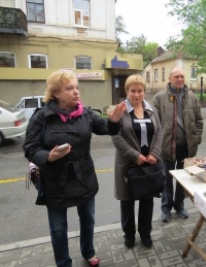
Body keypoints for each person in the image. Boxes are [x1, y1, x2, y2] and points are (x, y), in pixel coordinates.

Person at [23, 70, 126, 267]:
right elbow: (30, 148)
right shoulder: (42, 117)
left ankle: (88, 252)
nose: (76, 92)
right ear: (55, 93)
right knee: (59, 228)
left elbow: (104, 128)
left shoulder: (85, 113)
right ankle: (63, 263)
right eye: (69, 88)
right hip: (55, 180)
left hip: (83, 177)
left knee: (88, 220)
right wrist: (49, 156)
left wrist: (113, 120)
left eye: (77, 87)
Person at [111, 74, 162, 248]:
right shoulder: (120, 110)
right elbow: (116, 137)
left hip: (149, 164)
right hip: (128, 164)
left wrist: (155, 153)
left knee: (147, 200)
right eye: (133, 91)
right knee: (127, 202)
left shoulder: (151, 109)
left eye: (140, 91)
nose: (137, 94)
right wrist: (135, 155)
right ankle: (129, 235)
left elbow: (159, 133)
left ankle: (145, 233)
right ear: (127, 92)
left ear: (144, 92)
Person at [152, 66, 203, 222]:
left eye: (182, 76)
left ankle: (180, 206)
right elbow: (153, 123)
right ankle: (166, 207)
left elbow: (199, 120)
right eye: (176, 77)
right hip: (166, 147)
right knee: (166, 178)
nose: (180, 79)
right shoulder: (159, 98)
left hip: (186, 148)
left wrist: (196, 139)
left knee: (183, 179)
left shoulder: (192, 97)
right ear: (170, 79)